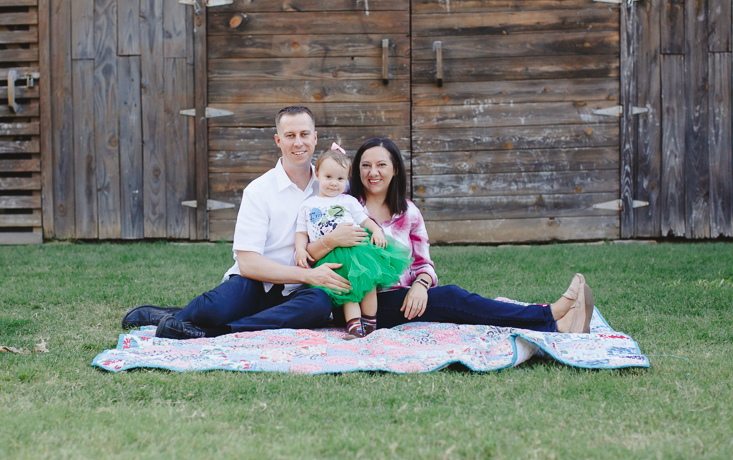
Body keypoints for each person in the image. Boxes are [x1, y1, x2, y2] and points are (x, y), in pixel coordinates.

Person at [317, 137, 594, 334]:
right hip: (358, 304)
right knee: (453, 298)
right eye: (365, 165)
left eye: (381, 165)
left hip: (402, 298)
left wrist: (420, 286)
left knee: (454, 302)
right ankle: (550, 315)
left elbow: (424, 265)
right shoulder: (343, 206)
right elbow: (315, 251)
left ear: (395, 170)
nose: (372, 172)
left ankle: (554, 323)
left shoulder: (409, 212)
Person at [121, 106, 353, 339]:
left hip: (303, 292)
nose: (298, 143)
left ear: (315, 137)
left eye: (304, 134)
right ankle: (176, 315)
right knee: (213, 309)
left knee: (319, 306)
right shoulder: (259, 191)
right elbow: (249, 264)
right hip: (256, 283)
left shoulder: (333, 187)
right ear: (278, 140)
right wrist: (306, 275)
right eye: (290, 136)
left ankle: (217, 330)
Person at [295, 144, 411, 339]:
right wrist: (300, 250)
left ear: (347, 179)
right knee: (346, 289)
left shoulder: (348, 201)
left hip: (357, 252)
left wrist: (377, 231)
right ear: (317, 174)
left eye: (340, 178)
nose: (334, 183)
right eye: (328, 177)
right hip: (331, 256)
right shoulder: (307, 205)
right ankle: (354, 327)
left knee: (367, 286)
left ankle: (370, 323)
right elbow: (301, 232)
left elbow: (366, 221)